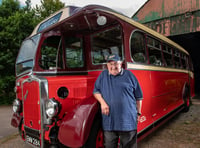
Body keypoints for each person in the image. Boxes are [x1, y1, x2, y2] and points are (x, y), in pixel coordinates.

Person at [93, 53, 143, 148]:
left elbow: (139, 97)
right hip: (109, 121)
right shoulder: (103, 76)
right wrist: (102, 103)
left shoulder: (129, 75)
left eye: (115, 63)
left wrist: (138, 113)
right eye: (110, 64)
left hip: (127, 121)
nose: (113, 67)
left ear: (121, 63)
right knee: (109, 145)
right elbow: (96, 91)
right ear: (107, 65)